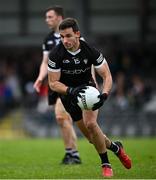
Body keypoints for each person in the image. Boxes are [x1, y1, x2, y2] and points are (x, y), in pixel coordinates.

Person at [48, 17, 132, 177]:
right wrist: (71, 91)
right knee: (92, 138)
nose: (65, 40)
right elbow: (53, 83)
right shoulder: (55, 54)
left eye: (68, 36)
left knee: (92, 124)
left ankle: (106, 164)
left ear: (77, 34)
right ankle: (116, 148)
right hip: (68, 96)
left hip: (88, 90)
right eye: (62, 36)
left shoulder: (90, 51)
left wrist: (105, 93)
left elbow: (107, 75)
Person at [33, 6, 81, 165]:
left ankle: (73, 154)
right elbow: (45, 62)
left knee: (63, 118)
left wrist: (92, 81)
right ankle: (72, 154)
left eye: (50, 17)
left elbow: (88, 60)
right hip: (55, 83)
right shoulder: (48, 39)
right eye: (46, 17)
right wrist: (40, 78)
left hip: (72, 83)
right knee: (63, 120)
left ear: (59, 17)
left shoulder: (74, 36)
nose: (47, 20)